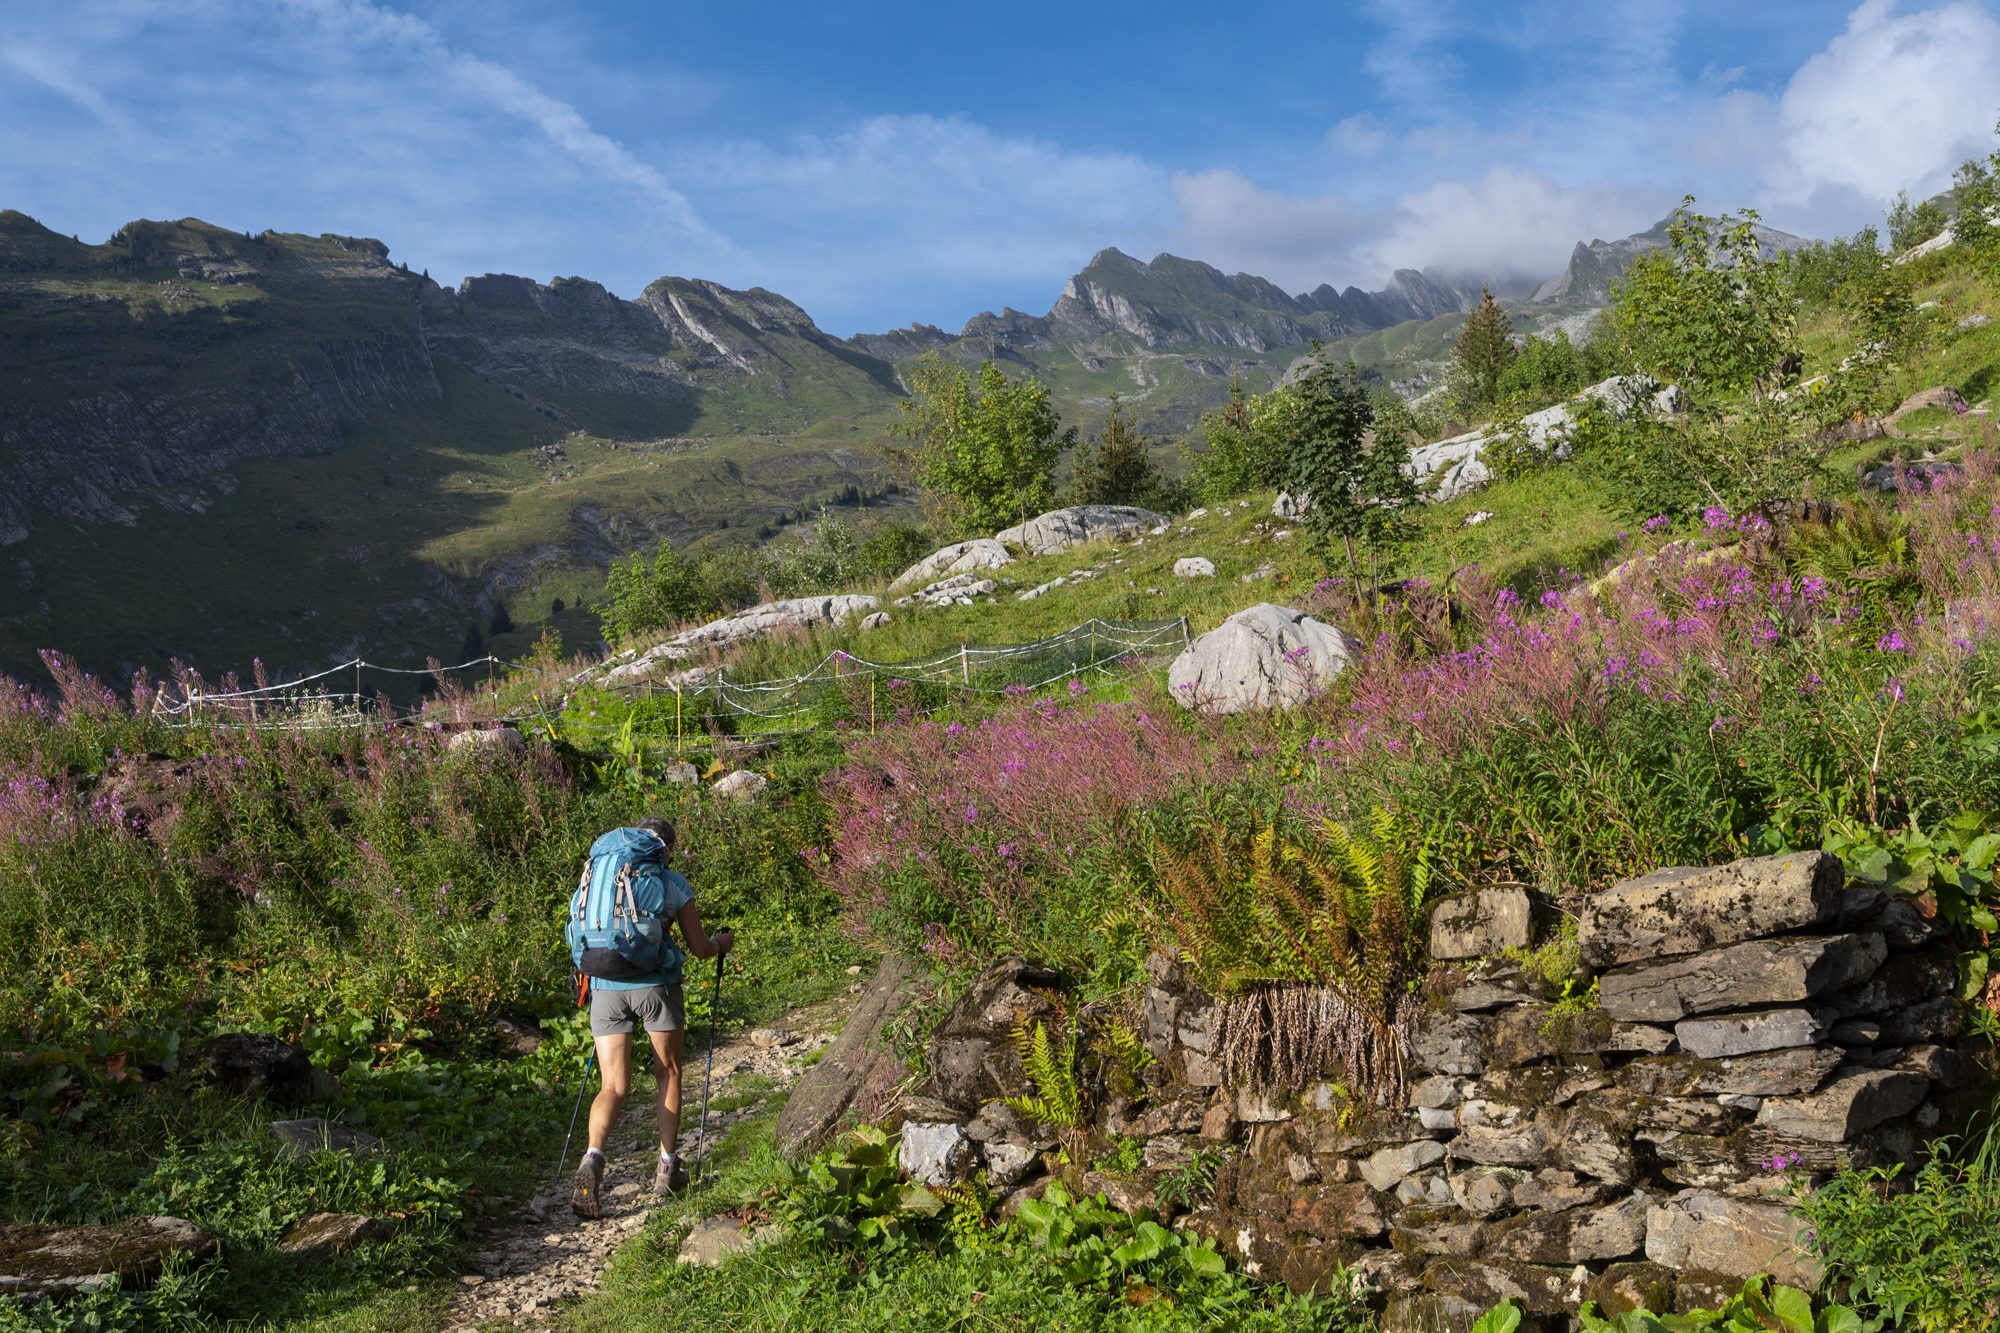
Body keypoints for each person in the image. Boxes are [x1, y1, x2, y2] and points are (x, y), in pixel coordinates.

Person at [571, 815, 733, 1218]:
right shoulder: (671, 882)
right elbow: (698, 948)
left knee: (613, 1084)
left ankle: (591, 1158)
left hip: (605, 988)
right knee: (669, 1072)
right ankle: (666, 1169)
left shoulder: (597, 876)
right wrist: (721, 943)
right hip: (656, 988)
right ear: (666, 848)